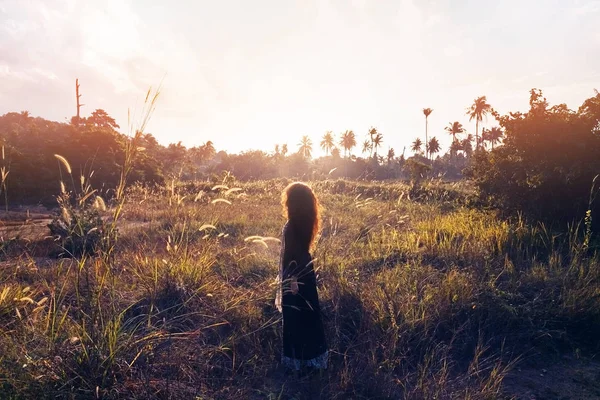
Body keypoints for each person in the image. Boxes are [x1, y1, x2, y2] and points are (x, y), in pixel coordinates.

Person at [275, 182, 328, 372]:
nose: (286, 202)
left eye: (288, 199)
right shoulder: (306, 222)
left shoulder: (291, 226)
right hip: (306, 273)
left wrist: (292, 280)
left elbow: (291, 254)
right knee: (309, 315)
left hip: (294, 277)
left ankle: (297, 362)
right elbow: (302, 252)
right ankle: (312, 359)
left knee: (295, 318)